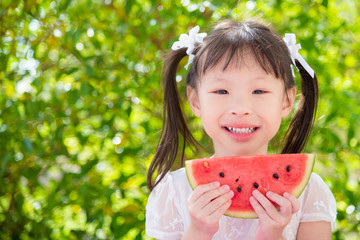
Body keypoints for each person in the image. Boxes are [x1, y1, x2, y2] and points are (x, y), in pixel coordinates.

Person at [146, 20, 336, 240]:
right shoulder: (172, 192)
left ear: (286, 101)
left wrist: (272, 236)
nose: (241, 109)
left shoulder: (310, 192)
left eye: (258, 91)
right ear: (195, 101)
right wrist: (198, 231)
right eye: (221, 91)